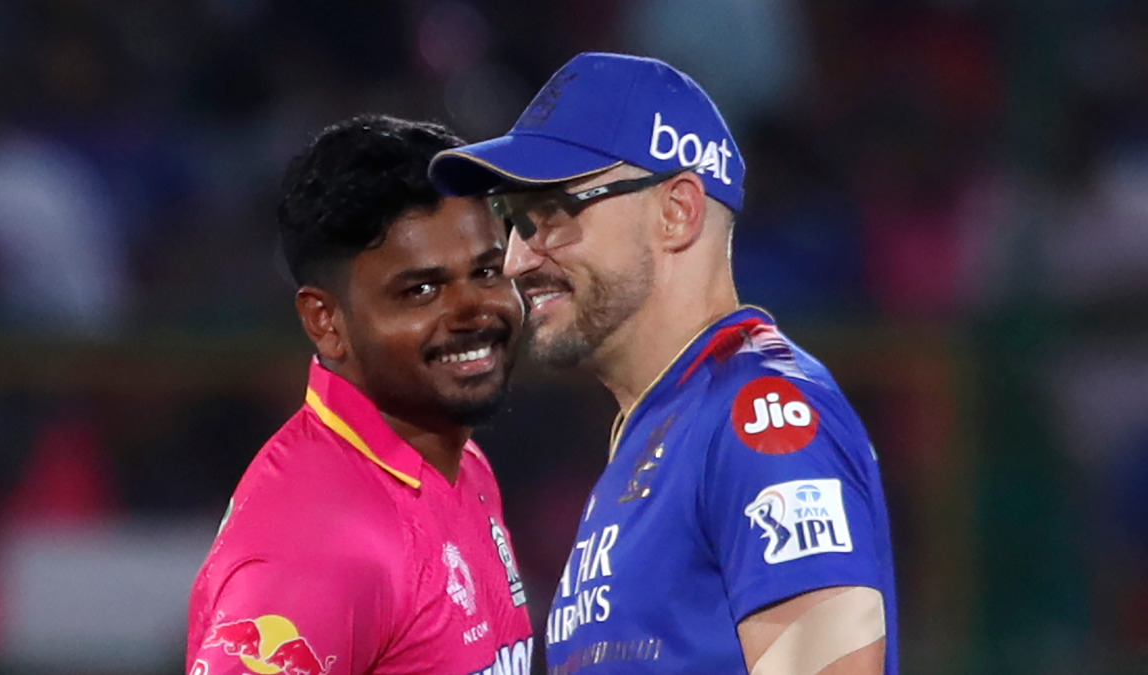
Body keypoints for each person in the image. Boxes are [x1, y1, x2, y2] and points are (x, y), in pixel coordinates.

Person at [429, 52, 898, 675]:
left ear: (677, 211)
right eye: (513, 221)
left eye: (554, 213)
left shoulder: (759, 415)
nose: (516, 260)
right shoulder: (665, 429)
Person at [186, 115, 534, 675]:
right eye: (421, 290)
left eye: (488, 271)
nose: (475, 310)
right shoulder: (320, 548)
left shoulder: (459, 464)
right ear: (326, 322)